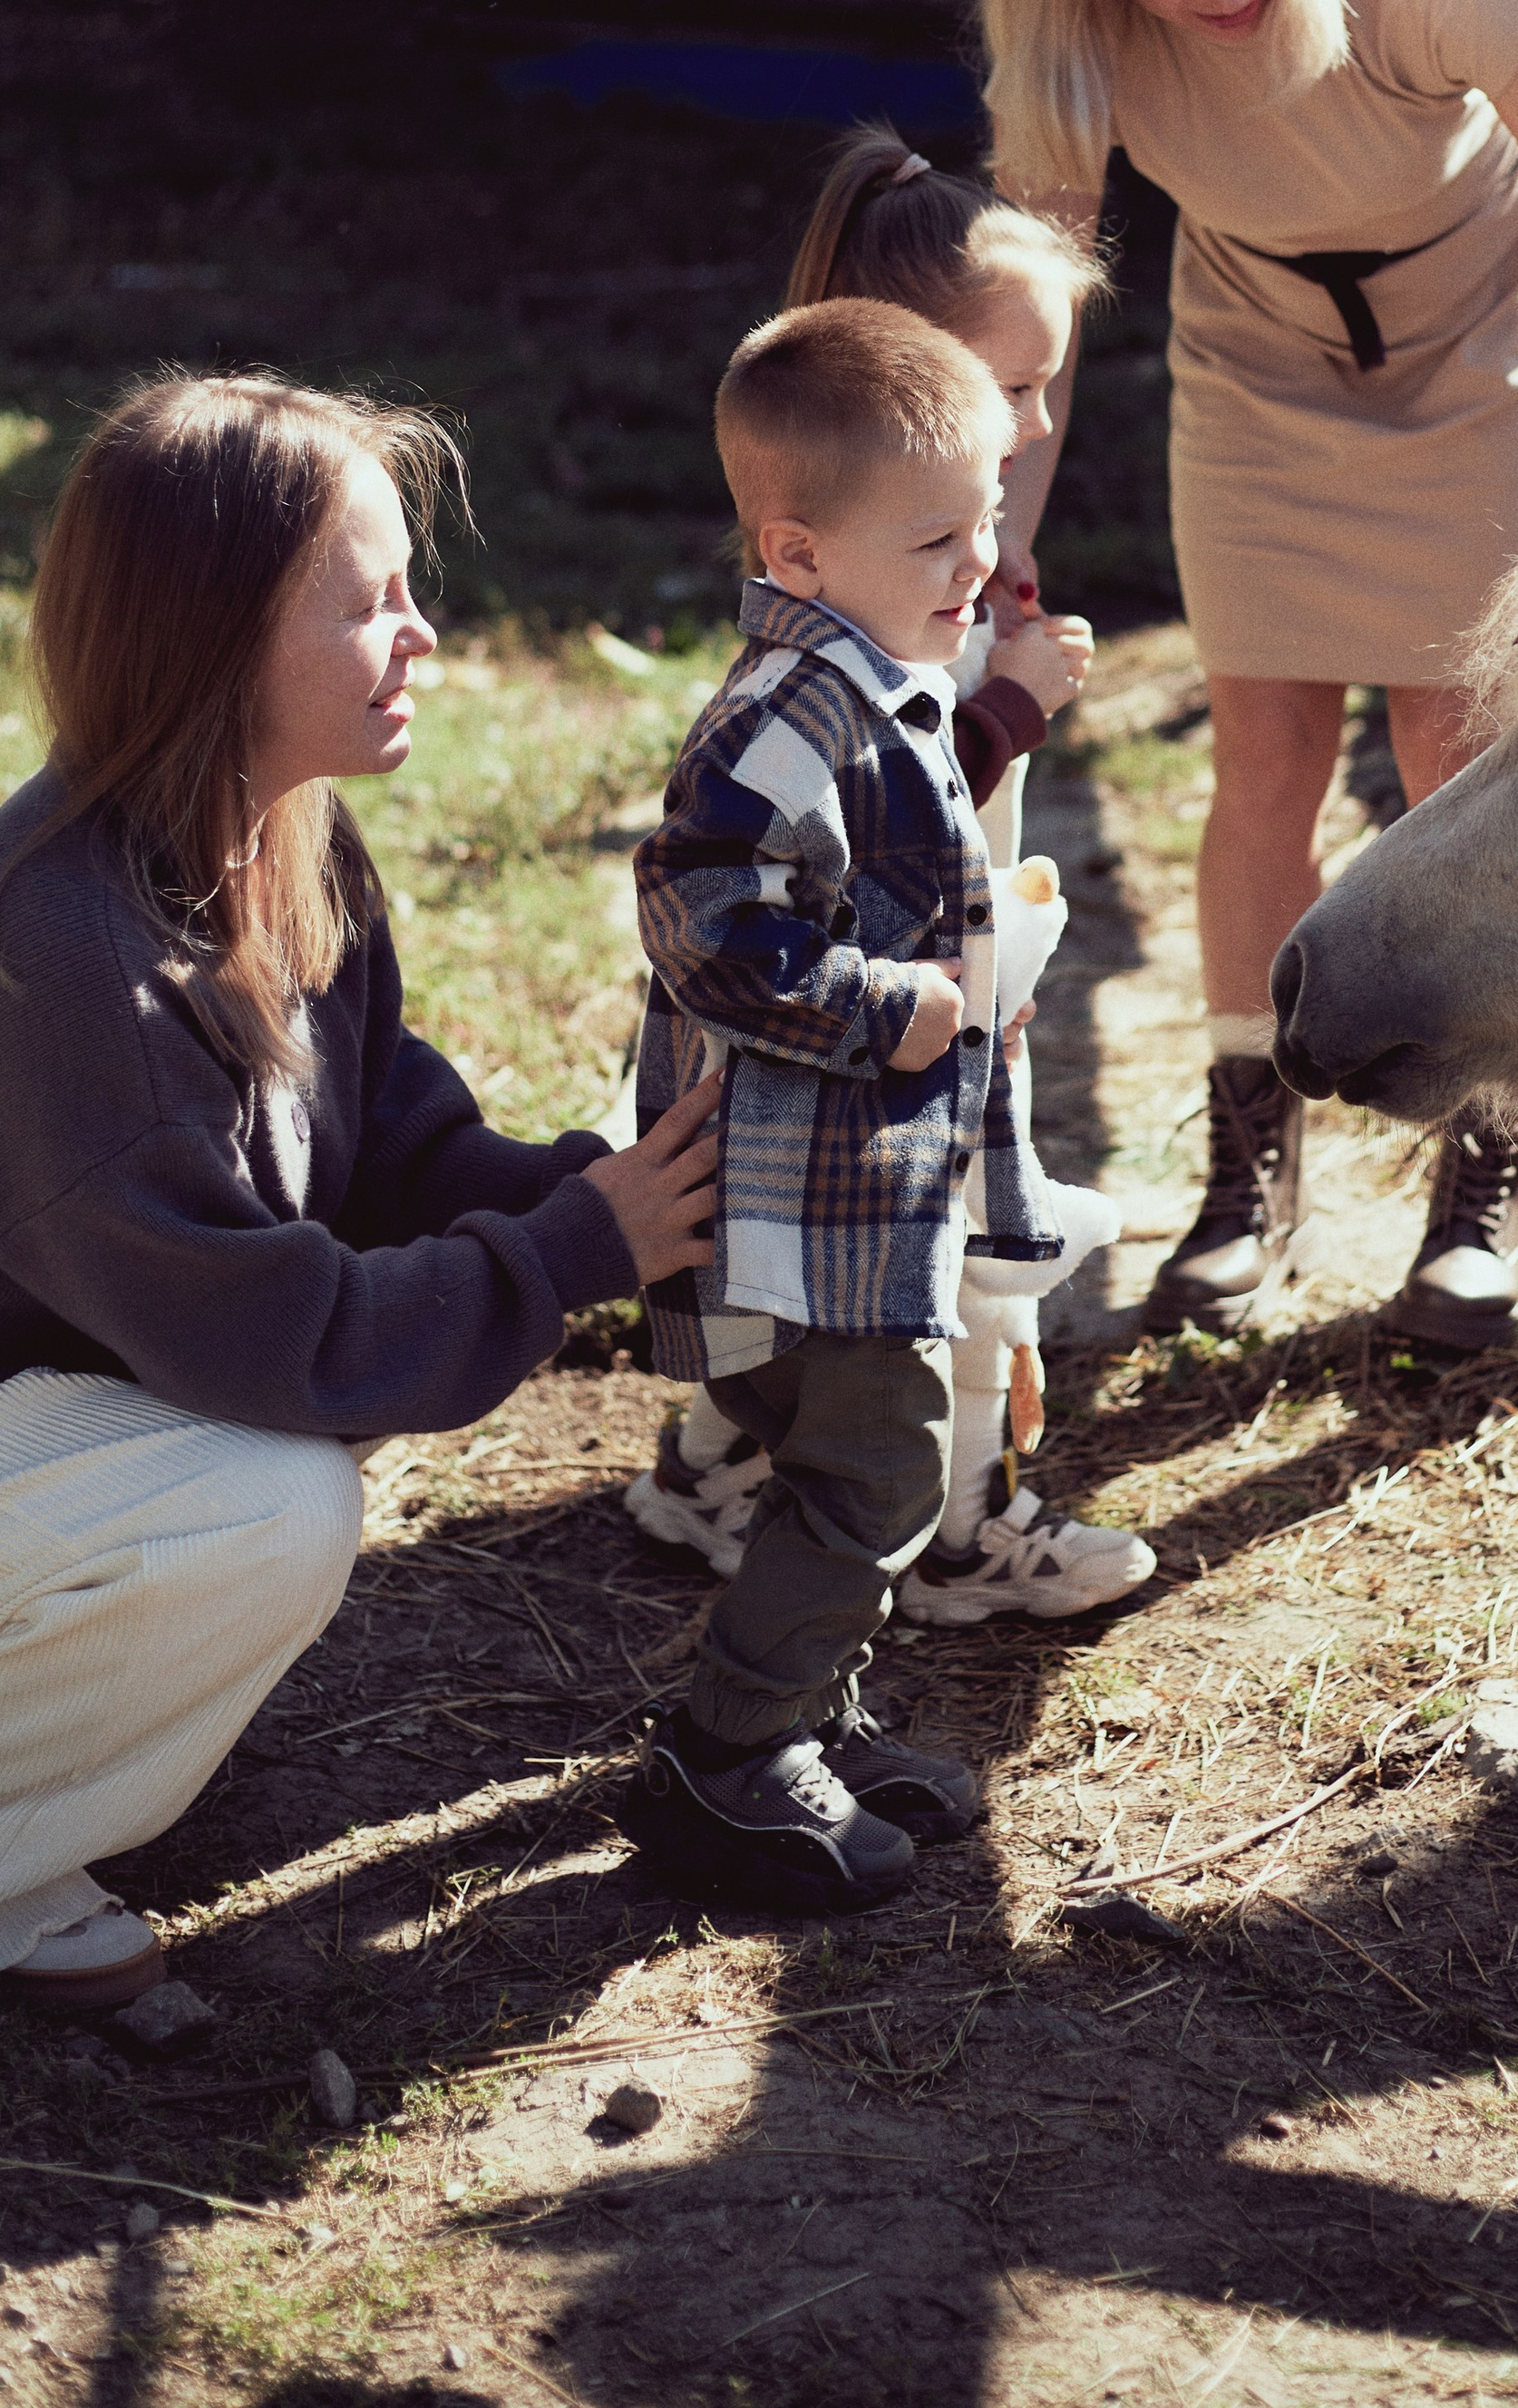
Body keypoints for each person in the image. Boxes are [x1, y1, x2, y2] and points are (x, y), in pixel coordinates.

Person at [0, 375, 718, 2014]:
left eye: (412, 589)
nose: (424, 640)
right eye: (366, 602)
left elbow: (392, 1148)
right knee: (269, 1506)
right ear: (212, 641)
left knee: (261, 1494)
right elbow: (276, 1339)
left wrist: (599, 1196)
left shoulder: (285, 842)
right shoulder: (53, 959)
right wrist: (572, 1252)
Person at [983, 0, 1518, 1350]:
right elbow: (1041, 312)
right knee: (1268, 761)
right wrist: (996, 532)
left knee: (1458, 758)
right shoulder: (1075, 40)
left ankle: (1480, 1179)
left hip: (1492, 363)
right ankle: (1250, 1177)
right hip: (1260, 375)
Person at [625, 129, 1153, 1627]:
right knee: (907, 1259)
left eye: (1053, 386)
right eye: (1011, 389)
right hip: (859, 1026)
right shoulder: (867, 617)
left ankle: (723, 1469)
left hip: (898, 1009)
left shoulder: (938, 563)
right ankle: (961, 1524)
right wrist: (1010, 709)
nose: (1040, 420)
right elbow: (879, 824)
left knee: (799, 1262)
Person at [620, 299, 1069, 1910]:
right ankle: (727, 1758)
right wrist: (889, 1008)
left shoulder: (878, 674)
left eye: (992, 516)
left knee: (849, 1461)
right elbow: (699, 912)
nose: (978, 558)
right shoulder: (784, 713)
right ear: (799, 554)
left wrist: (1008, 706)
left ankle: (812, 1700)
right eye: (939, 533)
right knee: (879, 1469)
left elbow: (899, 826)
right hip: (790, 1204)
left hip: (856, 1194)